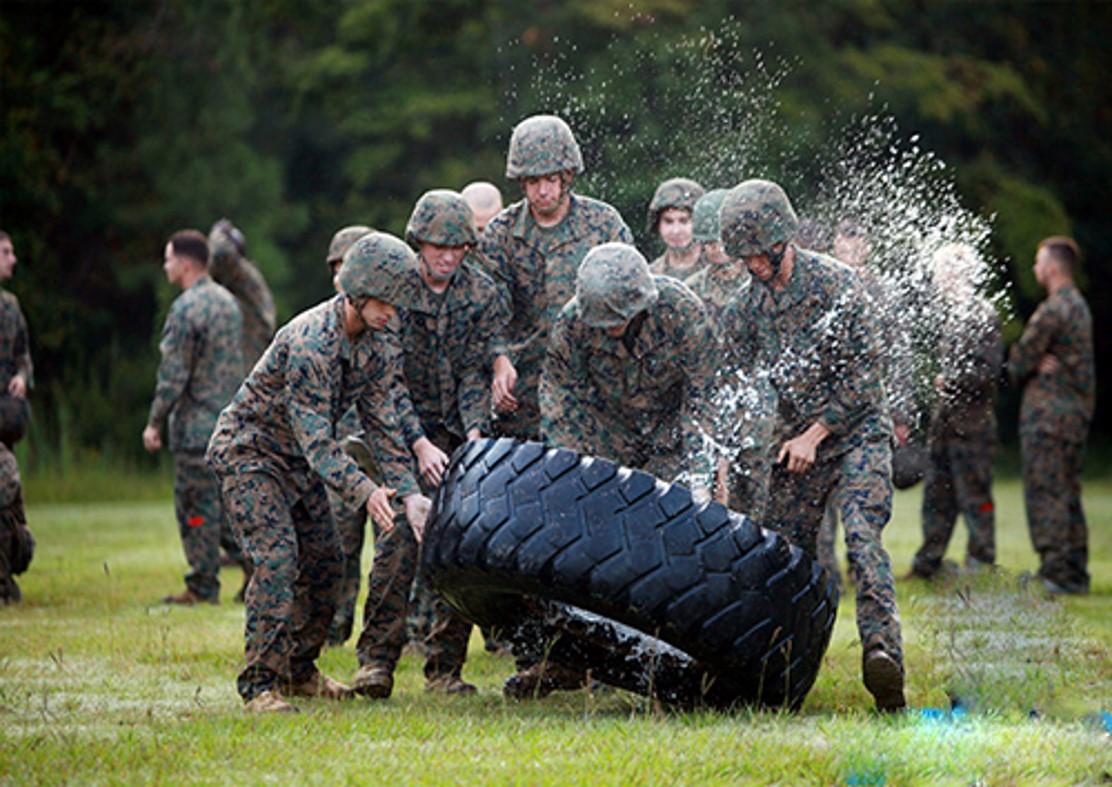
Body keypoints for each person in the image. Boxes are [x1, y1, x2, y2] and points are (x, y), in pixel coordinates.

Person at [206, 231, 429, 713]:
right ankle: (259, 684)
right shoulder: (311, 342)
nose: (393, 312)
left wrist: (410, 495)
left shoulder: (379, 340)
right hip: (252, 454)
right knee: (278, 558)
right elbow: (317, 444)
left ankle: (298, 671)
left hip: (298, 461)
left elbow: (383, 425)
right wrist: (367, 489)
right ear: (358, 291)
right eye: (386, 301)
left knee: (328, 563)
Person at [718, 179, 906, 712]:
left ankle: (882, 657)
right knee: (784, 556)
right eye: (743, 257)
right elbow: (735, 387)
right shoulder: (743, 310)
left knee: (863, 540)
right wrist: (729, 459)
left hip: (856, 434)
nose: (752, 266)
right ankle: (778, 672)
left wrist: (815, 433)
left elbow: (867, 378)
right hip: (794, 446)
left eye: (759, 254)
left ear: (782, 241)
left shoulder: (839, 285)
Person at [520, 242, 717, 700]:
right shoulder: (572, 322)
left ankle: (671, 665)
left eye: (618, 321)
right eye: (601, 323)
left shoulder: (682, 313)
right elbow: (559, 399)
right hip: (606, 436)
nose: (609, 331)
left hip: (671, 436)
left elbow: (706, 395)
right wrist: (569, 469)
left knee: (666, 547)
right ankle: (573, 661)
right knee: (589, 550)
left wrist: (701, 473)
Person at [353, 190, 511, 698]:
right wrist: (418, 443)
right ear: (417, 243)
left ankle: (444, 669)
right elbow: (386, 381)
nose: (446, 256)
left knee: (461, 543)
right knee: (398, 541)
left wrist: (474, 433)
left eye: (457, 247)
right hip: (398, 430)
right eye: (437, 246)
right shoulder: (393, 290)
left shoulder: (480, 292)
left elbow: (473, 370)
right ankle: (375, 662)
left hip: (455, 431)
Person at [480, 114, 633, 439]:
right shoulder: (501, 234)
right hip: (524, 391)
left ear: (567, 176)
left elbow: (631, 298)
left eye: (550, 180)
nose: (542, 191)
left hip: (595, 386)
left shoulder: (603, 224)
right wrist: (499, 359)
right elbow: (489, 310)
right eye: (533, 182)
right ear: (521, 182)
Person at [142, 230, 244, 605]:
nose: (165, 266)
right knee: (225, 506)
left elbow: (173, 375)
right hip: (228, 425)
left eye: (168, 259)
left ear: (185, 264)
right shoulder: (228, 303)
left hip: (194, 429)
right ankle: (254, 566)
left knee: (195, 509)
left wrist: (154, 422)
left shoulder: (186, 309)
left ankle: (203, 586)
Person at [1008, 236, 1095, 595]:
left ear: (1053, 267)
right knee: (1068, 491)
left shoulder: (1053, 310)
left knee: (1046, 492)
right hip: (1074, 416)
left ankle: (1055, 571)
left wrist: (1024, 362)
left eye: (1038, 262)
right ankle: (1075, 569)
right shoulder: (1079, 306)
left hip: (1048, 418)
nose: (1035, 268)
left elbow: (1019, 362)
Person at [909, 243, 1002, 579]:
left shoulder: (982, 314)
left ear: (959, 272)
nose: (936, 277)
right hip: (945, 425)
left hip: (973, 426)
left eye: (941, 270)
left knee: (976, 497)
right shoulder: (952, 315)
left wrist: (951, 380)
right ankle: (927, 564)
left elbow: (989, 371)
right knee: (937, 496)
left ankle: (981, 563)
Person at [683, 190, 776, 518]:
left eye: (721, 243)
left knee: (765, 511)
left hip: (762, 417)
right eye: (709, 244)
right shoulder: (690, 293)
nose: (717, 252)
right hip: (709, 412)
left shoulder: (763, 286)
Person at [318, 225, 376, 645]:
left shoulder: (384, 322)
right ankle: (333, 627)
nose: (343, 273)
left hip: (378, 451)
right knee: (340, 545)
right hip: (338, 454)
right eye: (337, 265)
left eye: (350, 264)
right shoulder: (320, 327)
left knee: (394, 549)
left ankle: (403, 631)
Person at [0, 231, 35, 604]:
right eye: (5, 252)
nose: (13, 259)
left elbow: (24, 353)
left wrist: (22, 377)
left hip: (5, 423)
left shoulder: (10, 307)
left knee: (12, 509)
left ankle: (7, 575)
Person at [208, 219, 277, 374]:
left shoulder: (243, 275)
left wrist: (218, 233)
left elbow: (221, 254)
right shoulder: (239, 282)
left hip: (246, 364)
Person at [646, 177, 706, 281]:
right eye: (668, 221)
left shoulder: (721, 271)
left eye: (684, 221)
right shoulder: (650, 277)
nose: (676, 231)